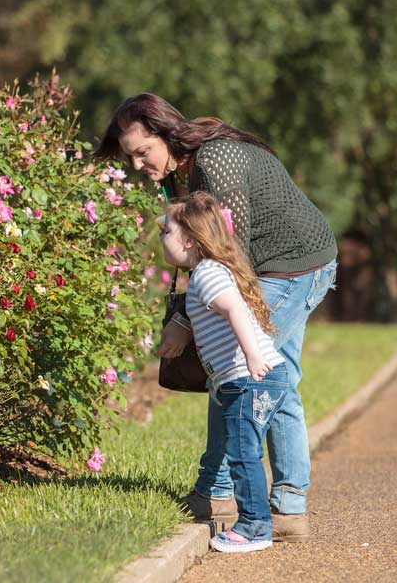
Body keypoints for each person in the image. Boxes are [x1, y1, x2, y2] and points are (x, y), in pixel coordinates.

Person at [95, 93, 338, 541]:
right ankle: (284, 506)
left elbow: (228, 256)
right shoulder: (180, 173)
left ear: (167, 133)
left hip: (294, 264)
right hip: (263, 266)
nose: (136, 165)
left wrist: (185, 321)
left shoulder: (217, 159)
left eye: (142, 152)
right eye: (129, 157)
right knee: (270, 373)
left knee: (243, 370)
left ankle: (219, 492)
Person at [160, 192, 286, 552]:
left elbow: (234, 310)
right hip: (250, 381)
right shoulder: (210, 272)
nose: (161, 238)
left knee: (243, 453)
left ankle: (254, 529)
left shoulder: (205, 275)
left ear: (189, 239)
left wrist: (251, 356)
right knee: (244, 451)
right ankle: (254, 523)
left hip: (250, 380)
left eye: (166, 231)